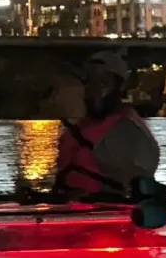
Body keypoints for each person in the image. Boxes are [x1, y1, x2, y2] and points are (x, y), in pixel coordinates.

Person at [52, 49, 158, 201]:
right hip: (69, 205)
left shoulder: (126, 130)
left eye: (101, 83)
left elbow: (130, 189)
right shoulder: (82, 126)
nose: (92, 90)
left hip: (102, 212)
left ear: (119, 87)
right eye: (89, 82)